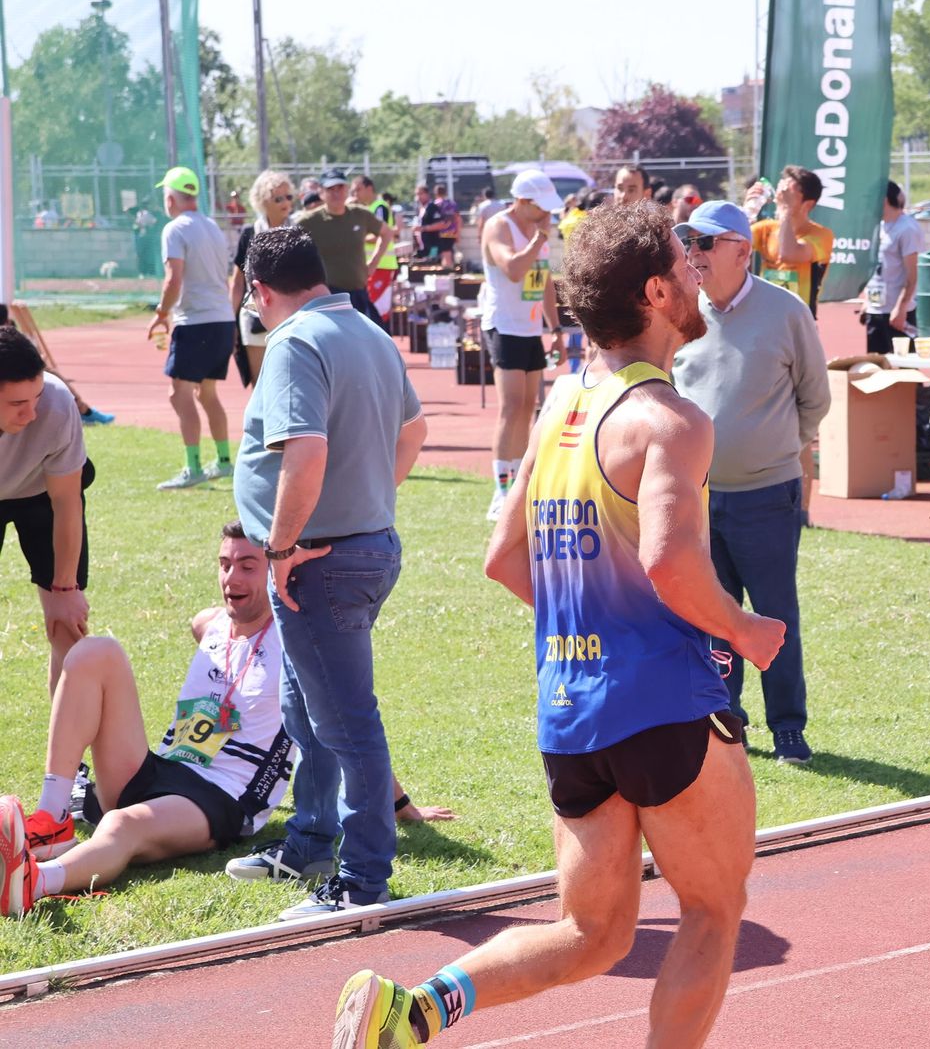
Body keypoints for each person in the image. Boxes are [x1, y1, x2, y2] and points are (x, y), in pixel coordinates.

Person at [331, 199, 785, 1049]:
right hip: (669, 707)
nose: (698, 278)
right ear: (655, 292)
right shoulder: (672, 423)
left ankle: (415, 1012)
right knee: (714, 910)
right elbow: (668, 563)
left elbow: (504, 558)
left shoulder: (562, 407)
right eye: (685, 267)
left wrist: (599, 623)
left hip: (572, 714)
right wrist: (742, 630)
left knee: (593, 932)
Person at [234, 227, 428, 919]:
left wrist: (282, 551)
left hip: (321, 561)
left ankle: (361, 879)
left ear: (260, 290)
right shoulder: (369, 333)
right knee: (305, 708)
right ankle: (311, 839)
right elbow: (415, 430)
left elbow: (304, 454)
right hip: (364, 546)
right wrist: (372, 498)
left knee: (346, 723)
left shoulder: (293, 341)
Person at [0, 522, 292, 916]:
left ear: (276, 570)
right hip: (164, 769)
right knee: (95, 651)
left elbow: (346, 718)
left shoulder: (296, 645)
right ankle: (52, 817)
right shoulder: (212, 625)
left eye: (247, 566)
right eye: (224, 564)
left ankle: (34, 882)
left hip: (219, 797)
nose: (231, 578)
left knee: (121, 825)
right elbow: (204, 622)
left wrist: (392, 800)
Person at [674, 200, 829, 764]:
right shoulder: (682, 313)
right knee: (713, 612)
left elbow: (816, 398)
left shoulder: (786, 311)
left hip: (768, 493)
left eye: (706, 243)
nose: (693, 254)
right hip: (699, 495)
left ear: (743, 250)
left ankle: (788, 726)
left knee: (772, 613)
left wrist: (775, 446)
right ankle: (724, 718)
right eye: (688, 244)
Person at [0, 327, 91, 697]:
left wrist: (65, 587)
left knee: (67, 623)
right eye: (18, 403)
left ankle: (65, 753)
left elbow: (67, 501)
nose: (32, 413)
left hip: (41, 494)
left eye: (36, 396)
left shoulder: (56, 402)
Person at [479, 170, 563, 521]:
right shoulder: (498, 225)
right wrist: (537, 239)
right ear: (523, 201)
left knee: (529, 407)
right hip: (503, 325)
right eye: (541, 207)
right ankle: (500, 492)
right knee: (511, 406)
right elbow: (513, 268)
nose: (548, 215)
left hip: (529, 328)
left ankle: (519, 484)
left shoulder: (537, 232)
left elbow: (541, 280)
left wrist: (554, 326)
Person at [150, 166, 235, 491]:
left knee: (180, 393)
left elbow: (174, 278)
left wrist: (161, 312)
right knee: (207, 392)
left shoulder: (175, 229)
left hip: (196, 321)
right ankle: (224, 461)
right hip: (221, 320)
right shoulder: (212, 226)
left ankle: (194, 466)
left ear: (170, 198)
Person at [295, 168, 395, 328]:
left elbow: (387, 233)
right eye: (330, 189)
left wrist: (374, 262)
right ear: (321, 193)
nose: (336, 193)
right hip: (328, 297)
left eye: (340, 187)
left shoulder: (360, 214)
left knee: (373, 341)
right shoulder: (309, 221)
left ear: (347, 190)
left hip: (359, 293)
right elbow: (289, 247)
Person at [230, 169, 295, 386]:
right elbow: (238, 281)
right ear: (262, 201)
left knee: (288, 382)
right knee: (261, 386)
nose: (285, 202)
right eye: (278, 198)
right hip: (255, 315)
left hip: (291, 317)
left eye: (288, 196)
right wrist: (231, 321)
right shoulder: (250, 233)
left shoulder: (298, 233)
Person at [0, 303, 114, 426]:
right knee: (50, 376)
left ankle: (85, 410)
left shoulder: (12, 336)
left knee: (50, 377)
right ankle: (85, 410)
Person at [749, 165, 835, 318]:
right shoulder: (766, 228)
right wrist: (749, 208)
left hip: (798, 319)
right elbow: (733, 242)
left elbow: (788, 254)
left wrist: (786, 211)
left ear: (808, 204)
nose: (781, 193)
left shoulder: (822, 235)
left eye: (789, 191)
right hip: (764, 315)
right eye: (782, 186)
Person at [863, 179, 923, 355]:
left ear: (883, 200)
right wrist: (866, 301)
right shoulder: (876, 227)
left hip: (897, 312)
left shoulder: (907, 229)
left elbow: (912, 274)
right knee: (875, 369)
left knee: (906, 371)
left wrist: (901, 307)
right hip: (875, 309)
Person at [352, 175, 401, 324]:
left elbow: (380, 234)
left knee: (377, 308)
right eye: (353, 191)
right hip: (372, 266)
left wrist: (355, 238)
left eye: (358, 190)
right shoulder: (367, 208)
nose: (355, 194)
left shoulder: (379, 207)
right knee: (370, 307)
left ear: (369, 188)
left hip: (382, 265)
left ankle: (382, 342)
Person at [414, 184, 444, 262]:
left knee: (432, 264)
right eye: (417, 194)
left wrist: (423, 228)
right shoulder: (420, 209)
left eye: (421, 194)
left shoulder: (432, 207)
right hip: (423, 247)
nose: (418, 197)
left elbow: (440, 224)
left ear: (427, 194)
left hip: (433, 246)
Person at [434, 184, 460, 267]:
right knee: (448, 251)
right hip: (451, 232)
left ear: (436, 193)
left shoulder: (436, 204)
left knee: (444, 253)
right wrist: (457, 233)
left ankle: (447, 270)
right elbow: (458, 219)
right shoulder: (452, 204)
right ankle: (448, 268)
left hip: (439, 232)